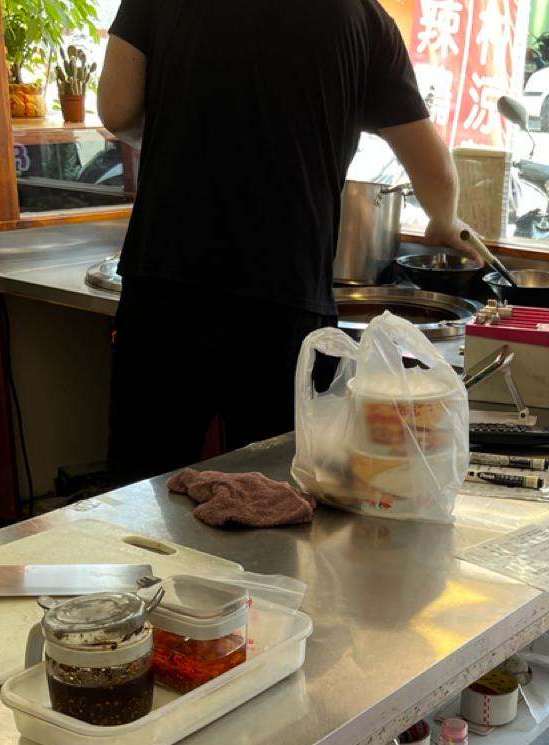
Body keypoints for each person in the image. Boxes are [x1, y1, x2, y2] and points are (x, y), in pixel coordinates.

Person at [98, 0, 475, 483]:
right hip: (284, 296)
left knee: (140, 483)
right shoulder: (363, 17)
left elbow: (117, 109)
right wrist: (444, 220)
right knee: (278, 493)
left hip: (167, 281)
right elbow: (431, 165)